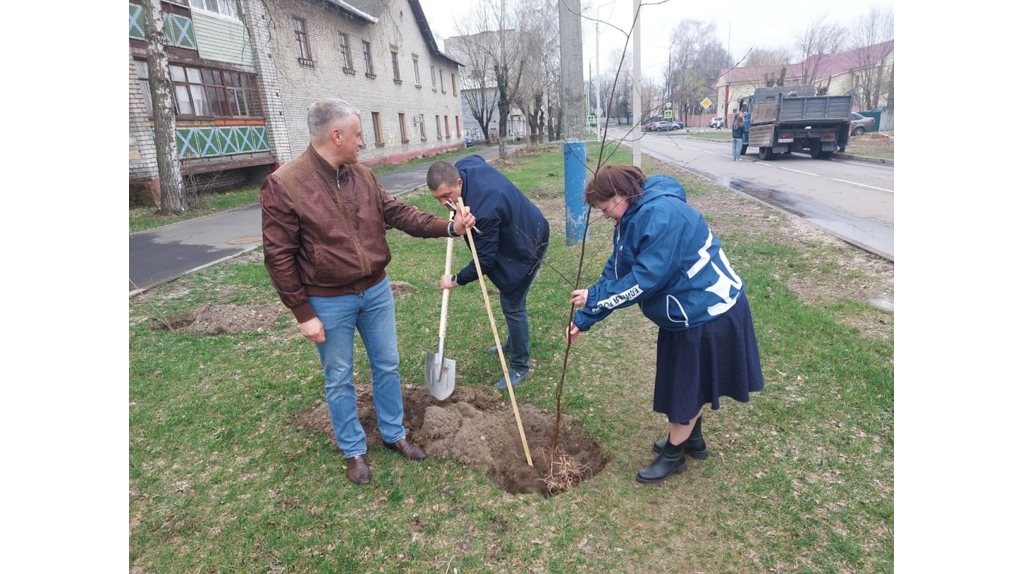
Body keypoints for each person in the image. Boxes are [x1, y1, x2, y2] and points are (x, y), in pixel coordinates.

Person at [260, 99, 476, 486]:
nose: (363, 143)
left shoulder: (361, 175)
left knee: (387, 365)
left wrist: (449, 228)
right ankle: (353, 450)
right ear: (336, 135)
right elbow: (278, 256)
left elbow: (399, 213)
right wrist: (303, 313)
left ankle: (394, 433)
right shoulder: (286, 184)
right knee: (340, 377)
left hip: (375, 291)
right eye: (358, 134)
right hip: (328, 299)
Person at [567, 165, 764, 484]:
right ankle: (692, 440)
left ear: (620, 195)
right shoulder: (631, 215)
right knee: (690, 380)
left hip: (708, 312)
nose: (605, 216)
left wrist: (595, 297)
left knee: (684, 386)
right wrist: (585, 317)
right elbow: (619, 268)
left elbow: (645, 281)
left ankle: (674, 455)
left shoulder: (661, 217)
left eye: (605, 209)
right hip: (687, 312)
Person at [426, 156, 550, 389]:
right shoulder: (465, 166)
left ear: (459, 183)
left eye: (446, 196)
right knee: (509, 299)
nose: (444, 203)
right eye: (438, 199)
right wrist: (455, 208)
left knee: (513, 303)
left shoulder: (483, 210)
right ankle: (513, 343)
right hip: (523, 223)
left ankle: (519, 366)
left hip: (529, 243)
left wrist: (454, 280)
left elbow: (484, 261)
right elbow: (477, 157)